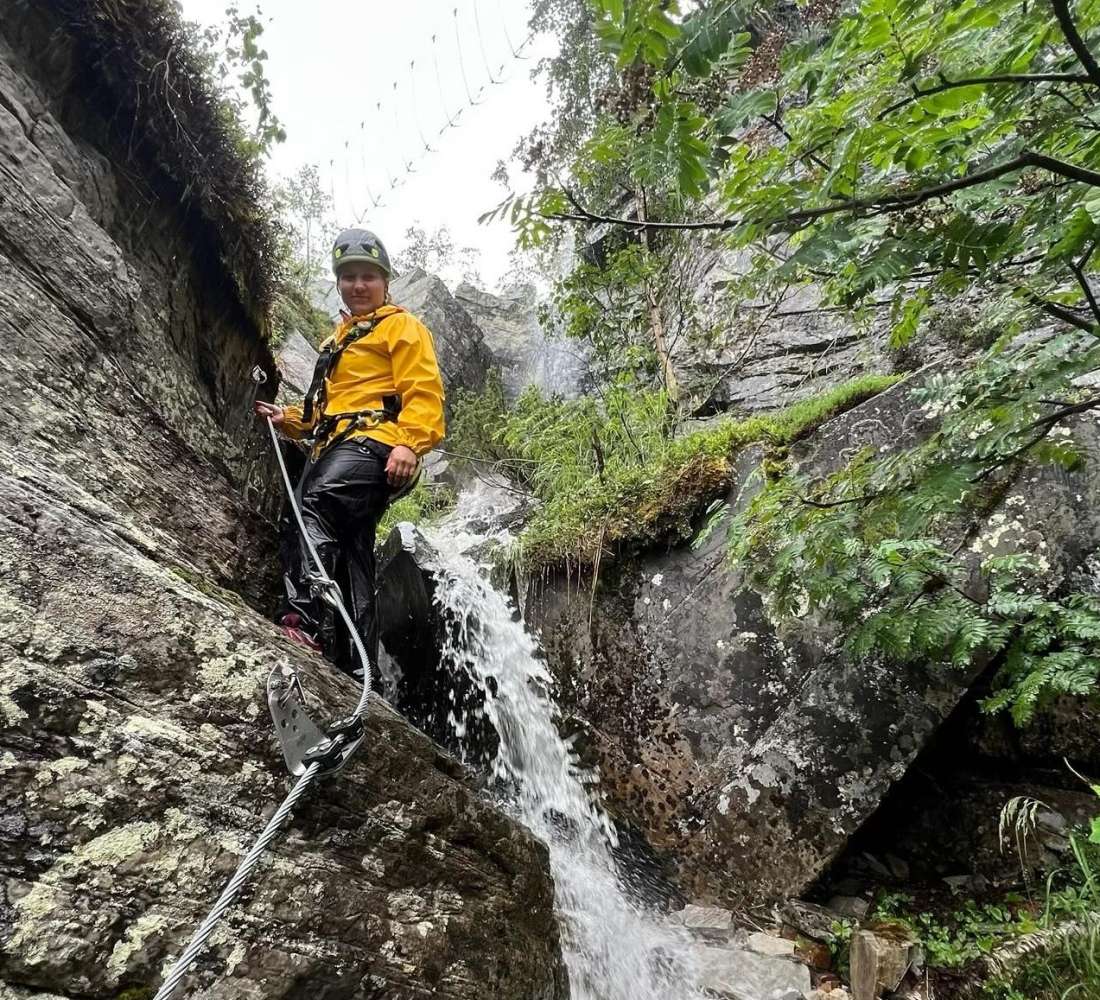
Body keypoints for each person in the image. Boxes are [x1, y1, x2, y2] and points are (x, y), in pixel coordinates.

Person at [255, 228, 445, 677]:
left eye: (368, 277)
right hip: (337, 443)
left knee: (314, 505)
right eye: (349, 277)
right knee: (354, 549)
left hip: (376, 442)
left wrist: (409, 442)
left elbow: (423, 391)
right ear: (339, 283)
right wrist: (288, 418)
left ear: (385, 282)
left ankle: (303, 619)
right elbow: (324, 406)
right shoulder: (335, 342)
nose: (358, 286)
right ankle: (359, 669)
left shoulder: (401, 326)